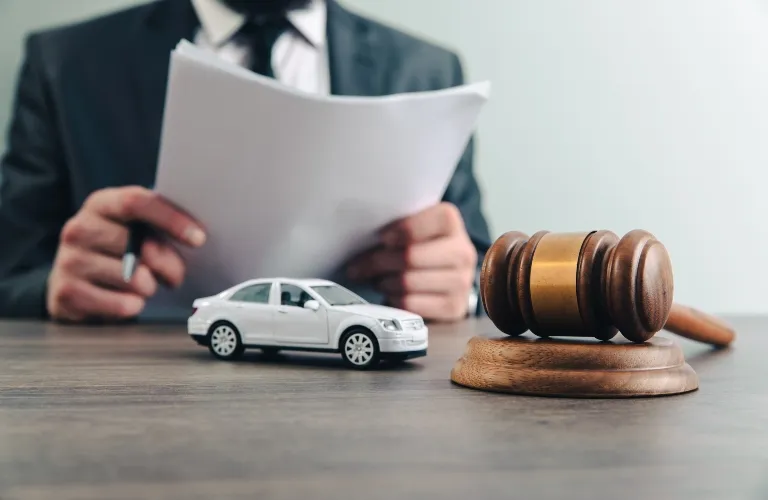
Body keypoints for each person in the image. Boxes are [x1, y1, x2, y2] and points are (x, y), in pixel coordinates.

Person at [0, 0, 491, 323]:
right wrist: (52, 287)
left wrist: (462, 290)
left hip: (365, 393)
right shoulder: (66, 63)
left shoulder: (427, 71)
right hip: (145, 400)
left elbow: (475, 265)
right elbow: (11, 274)